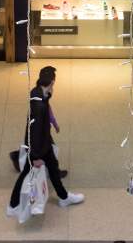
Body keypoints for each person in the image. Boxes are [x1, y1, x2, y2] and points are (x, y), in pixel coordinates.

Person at [7, 66, 83, 217]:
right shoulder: (39, 107)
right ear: (51, 83)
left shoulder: (38, 93)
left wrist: (52, 116)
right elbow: (35, 132)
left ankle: (63, 197)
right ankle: (13, 205)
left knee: (53, 167)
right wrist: (35, 157)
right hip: (39, 147)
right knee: (27, 172)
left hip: (44, 142)